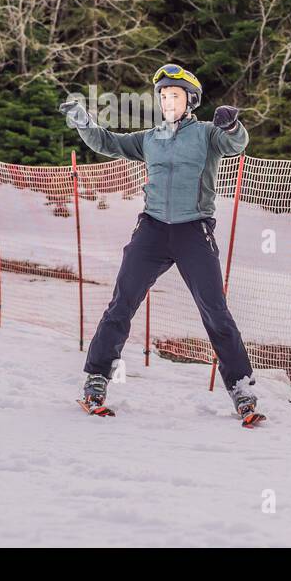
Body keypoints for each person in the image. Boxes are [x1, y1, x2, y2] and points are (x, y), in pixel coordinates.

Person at [59, 63, 261, 423]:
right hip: (152, 230)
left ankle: (241, 388)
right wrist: (83, 123)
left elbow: (235, 144)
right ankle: (96, 379)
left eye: (175, 95)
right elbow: (107, 142)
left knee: (215, 312)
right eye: (164, 96)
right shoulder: (149, 139)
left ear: (190, 100)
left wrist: (232, 124)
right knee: (121, 305)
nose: (168, 101)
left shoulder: (206, 134)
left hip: (192, 231)